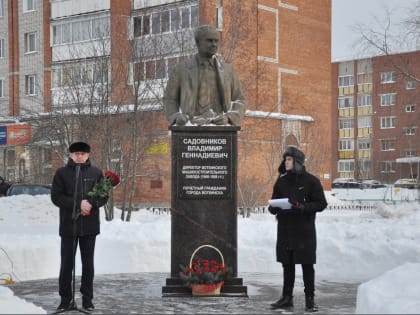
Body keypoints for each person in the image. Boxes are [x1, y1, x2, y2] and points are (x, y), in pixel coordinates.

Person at [268, 146, 327, 312]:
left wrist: (303, 207)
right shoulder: (281, 181)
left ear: (297, 162)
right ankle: (287, 298)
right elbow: (273, 203)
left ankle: (310, 299)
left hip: (304, 230)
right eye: (285, 159)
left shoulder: (311, 181)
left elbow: (321, 203)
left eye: (289, 159)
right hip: (286, 229)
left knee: (307, 265)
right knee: (287, 264)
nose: (285, 162)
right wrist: (274, 208)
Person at [51, 142, 108, 311]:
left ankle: (87, 299)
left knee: (88, 264)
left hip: (89, 227)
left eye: (82, 153)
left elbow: (104, 196)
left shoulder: (96, 173)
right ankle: (65, 298)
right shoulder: (61, 173)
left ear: (88, 155)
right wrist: (77, 204)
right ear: (70, 155)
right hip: (69, 226)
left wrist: (91, 203)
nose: (79, 156)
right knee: (67, 263)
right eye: (76, 153)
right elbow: (56, 197)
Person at [163, 24, 247, 126]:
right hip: (190, 127)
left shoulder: (228, 71)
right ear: (198, 42)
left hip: (219, 127)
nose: (214, 44)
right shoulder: (181, 70)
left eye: (216, 41)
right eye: (209, 40)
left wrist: (229, 118)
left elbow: (240, 99)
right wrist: (175, 116)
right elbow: (170, 99)